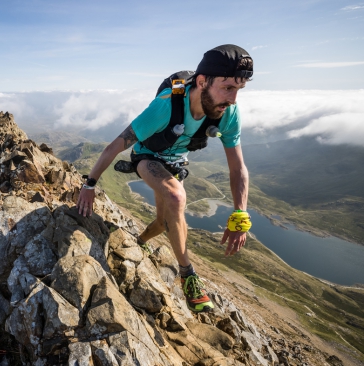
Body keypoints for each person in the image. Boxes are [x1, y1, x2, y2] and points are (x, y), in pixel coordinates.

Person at [77, 44, 253, 313]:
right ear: (203, 81)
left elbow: (237, 167)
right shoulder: (165, 107)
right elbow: (115, 146)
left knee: (163, 222)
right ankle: (188, 275)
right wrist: (89, 185)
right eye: (228, 87)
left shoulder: (228, 113)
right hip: (147, 157)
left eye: (239, 89)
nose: (233, 99)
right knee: (176, 196)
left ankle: (140, 242)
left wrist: (240, 213)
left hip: (176, 163)